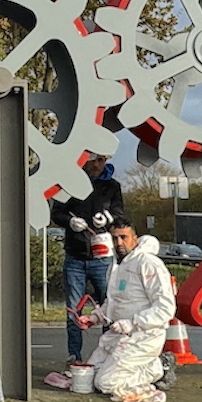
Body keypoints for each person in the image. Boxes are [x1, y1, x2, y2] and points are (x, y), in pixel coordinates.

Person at [80, 216, 177, 402]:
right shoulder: (118, 266)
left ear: (135, 238)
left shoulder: (148, 263)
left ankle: (159, 367)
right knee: (88, 376)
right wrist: (94, 318)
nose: (119, 243)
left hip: (143, 337)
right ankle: (148, 366)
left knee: (105, 383)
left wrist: (132, 323)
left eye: (124, 237)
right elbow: (115, 302)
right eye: (115, 238)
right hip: (119, 335)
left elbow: (166, 308)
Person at [49, 154, 123, 363]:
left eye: (101, 160)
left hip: (102, 257)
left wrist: (108, 218)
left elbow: (120, 214)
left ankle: (108, 354)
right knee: (74, 309)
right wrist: (70, 221)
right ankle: (74, 355)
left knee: (108, 307)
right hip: (75, 256)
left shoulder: (112, 186)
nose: (97, 165)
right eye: (93, 160)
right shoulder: (70, 183)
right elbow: (57, 213)